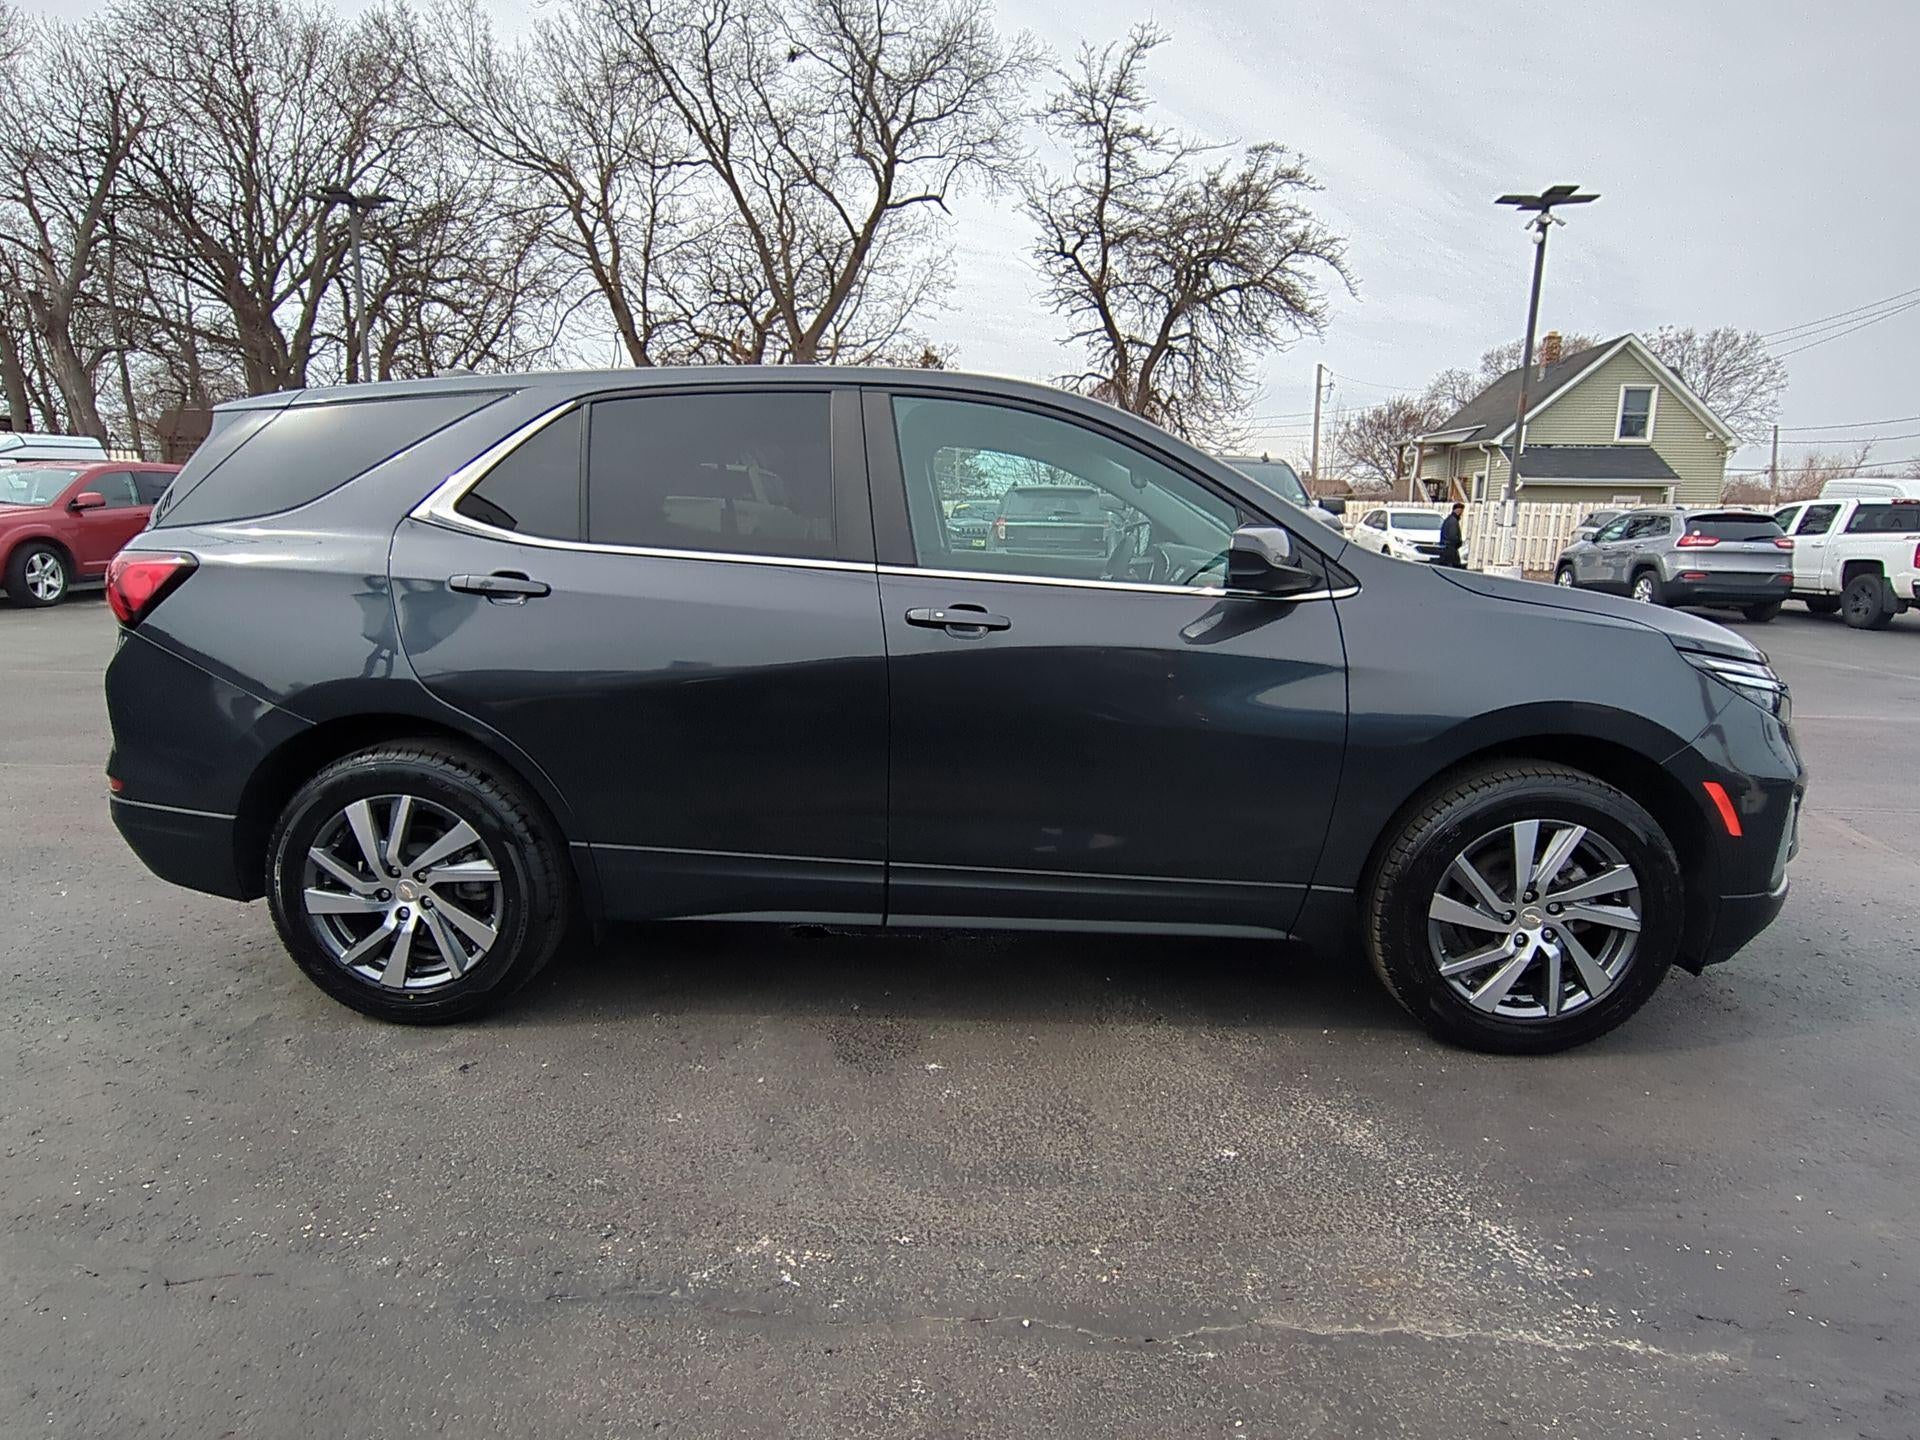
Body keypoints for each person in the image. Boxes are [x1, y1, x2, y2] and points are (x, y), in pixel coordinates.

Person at [1438, 501, 1467, 568]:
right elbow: (1453, 537)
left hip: (1446, 550)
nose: (1462, 514)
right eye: (1461, 511)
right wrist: (1458, 543)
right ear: (1458, 510)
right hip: (1450, 551)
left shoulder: (1449, 520)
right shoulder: (1453, 522)